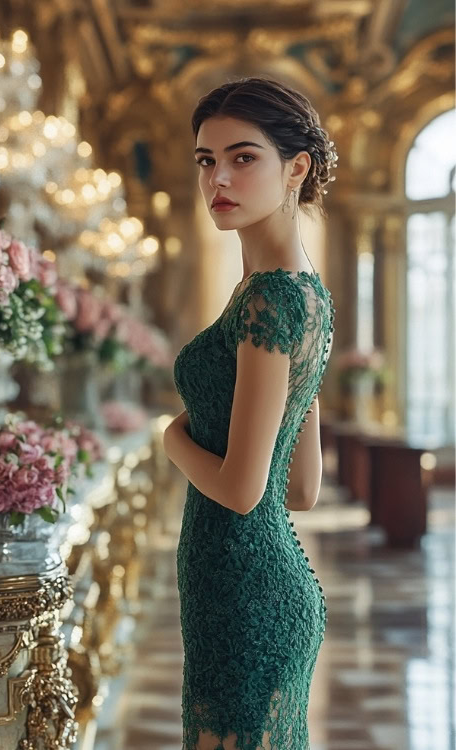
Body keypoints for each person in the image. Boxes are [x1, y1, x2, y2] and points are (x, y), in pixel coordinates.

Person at [163, 76, 338, 750]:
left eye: (243, 157)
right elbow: (304, 487)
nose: (219, 179)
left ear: (296, 168)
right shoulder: (305, 295)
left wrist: (170, 438)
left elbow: (243, 490)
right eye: (207, 161)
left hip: (243, 597)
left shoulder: (271, 301)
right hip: (256, 586)